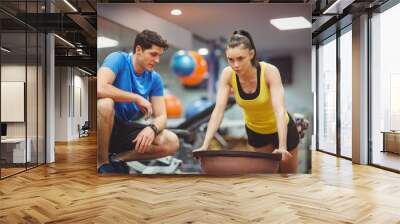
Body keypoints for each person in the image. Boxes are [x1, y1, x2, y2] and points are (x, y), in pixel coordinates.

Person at [194, 30, 300, 173]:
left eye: (240, 58)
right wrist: (205, 145)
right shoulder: (227, 74)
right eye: (230, 60)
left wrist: (282, 146)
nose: (235, 65)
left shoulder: (269, 71)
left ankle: (297, 130)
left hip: (282, 129)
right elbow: (218, 111)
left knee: (288, 176)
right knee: (267, 177)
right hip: (256, 132)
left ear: (251, 54)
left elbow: (279, 110)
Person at [97, 29, 179, 174]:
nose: (157, 60)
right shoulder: (119, 59)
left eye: (159, 56)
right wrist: (137, 98)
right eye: (153, 54)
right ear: (139, 50)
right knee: (105, 104)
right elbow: (100, 88)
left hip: (122, 128)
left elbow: (162, 117)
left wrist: (151, 129)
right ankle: (102, 163)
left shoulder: (155, 79)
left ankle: (116, 159)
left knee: (171, 141)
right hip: (102, 126)